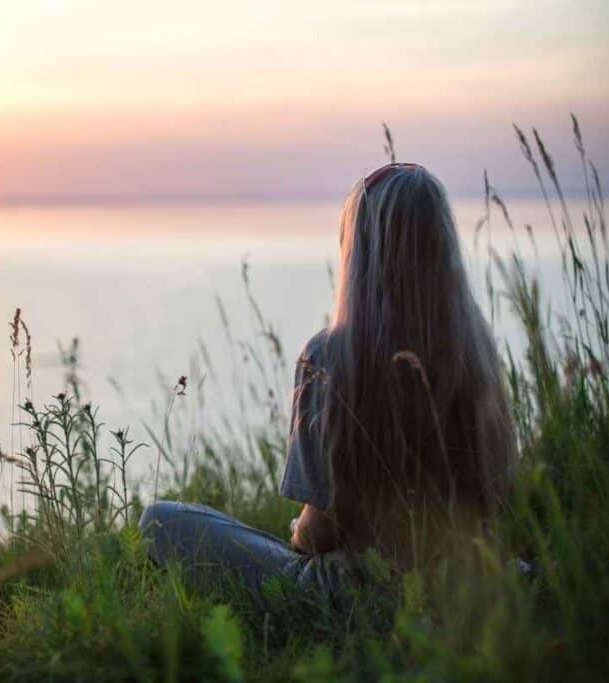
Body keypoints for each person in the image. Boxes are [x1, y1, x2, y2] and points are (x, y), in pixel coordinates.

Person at [139, 163, 517, 601]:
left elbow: (317, 535)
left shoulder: (331, 357)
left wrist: (298, 532)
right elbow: (499, 501)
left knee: (162, 520)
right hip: (464, 586)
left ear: (361, 252)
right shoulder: (478, 353)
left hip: (356, 596)